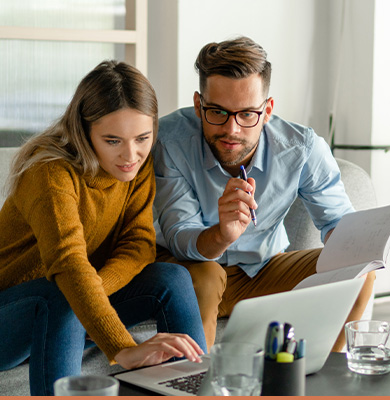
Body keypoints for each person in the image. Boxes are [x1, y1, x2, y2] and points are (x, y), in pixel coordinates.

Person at [153, 36, 375, 352]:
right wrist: (222, 234)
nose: (232, 130)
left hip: (262, 270)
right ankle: (194, 385)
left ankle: (328, 380)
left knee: (359, 274)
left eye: (247, 114)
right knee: (205, 276)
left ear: (267, 109)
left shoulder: (302, 148)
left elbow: (340, 225)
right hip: (190, 268)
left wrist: (356, 244)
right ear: (199, 105)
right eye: (217, 112)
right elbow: (180, 236)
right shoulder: (169, 142)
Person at [0, 60, 206, 396]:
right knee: (63, 291)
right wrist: (123, 348)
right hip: (9, 320)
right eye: (113, 140)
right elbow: (68, 264)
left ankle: (197, 388)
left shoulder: (138, 165)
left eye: (142, 137)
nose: (131, 154)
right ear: (83, 131)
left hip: (72, 306)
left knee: (171, 278)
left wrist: (95, 289)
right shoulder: (50, 172)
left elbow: (139, 243)